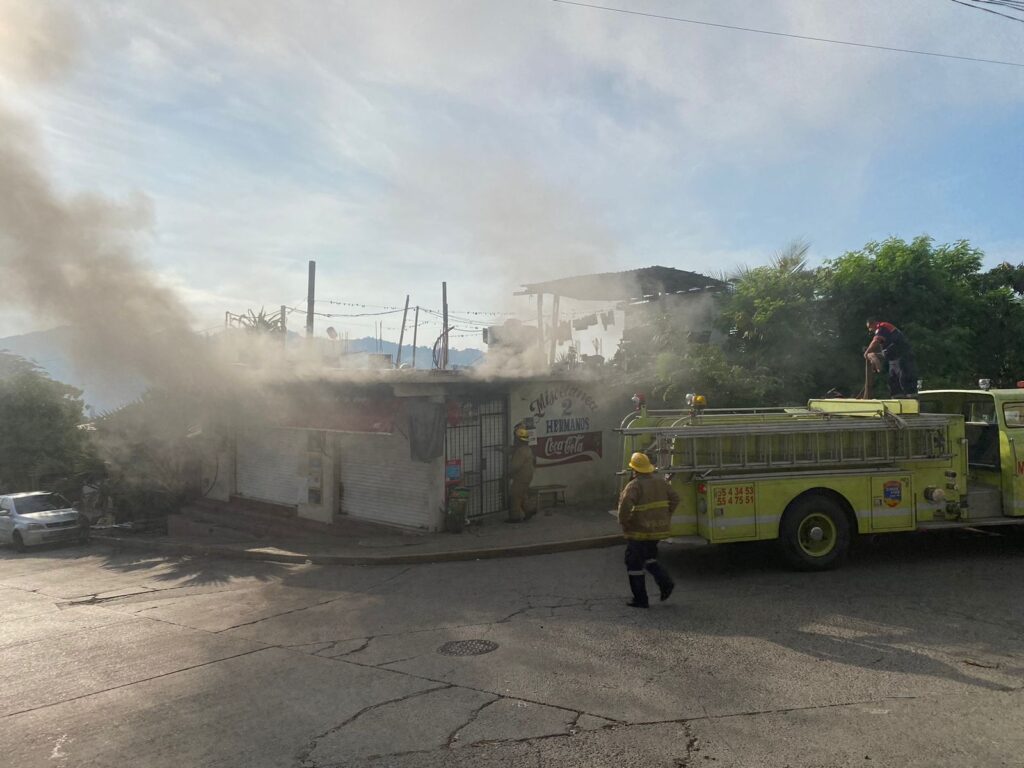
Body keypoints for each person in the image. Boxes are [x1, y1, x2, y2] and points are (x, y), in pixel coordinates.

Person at [617, 452, 678, 608]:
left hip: (638, 531)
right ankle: (665, 583)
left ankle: (641, 599)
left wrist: (624, 522)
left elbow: (625, 506)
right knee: (649, 558)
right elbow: (675, 498)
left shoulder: (635, 485)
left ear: (634, 470)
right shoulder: (661, 483)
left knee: (634, 563)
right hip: (657, 531)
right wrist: (667, 514)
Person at [865, 318, 918, 398]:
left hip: (902, 355)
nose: (870, 330)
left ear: (874, 324)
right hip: (893, 357)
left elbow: (876, 341)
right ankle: (897, 398)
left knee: (904, 378)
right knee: (893, 380)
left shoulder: (882, 327)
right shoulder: (883, 332)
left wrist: (867, 352)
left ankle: (911, 399)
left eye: (870, 327)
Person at [507, 426, 536, 523]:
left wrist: (508, 474)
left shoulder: (520, 451)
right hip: (527, 476)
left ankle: (514, 517)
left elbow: (515, 466)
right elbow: (511, 450)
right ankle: (529, 510)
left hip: (521, 477)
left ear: (518, 439)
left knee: (515, 495)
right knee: (522, 494)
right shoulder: (527, 449)